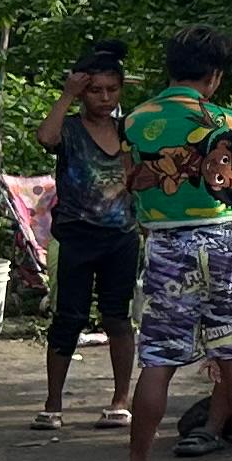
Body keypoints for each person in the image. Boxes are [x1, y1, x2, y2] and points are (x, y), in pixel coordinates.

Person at [103, 26, 232, 461]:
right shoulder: (231, 123)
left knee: (158, 360)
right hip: (227, 244)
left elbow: (133, 181)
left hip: (167, 247)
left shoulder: (134, 120)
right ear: (214, 76)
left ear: (169, 69)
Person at [32, 41, 138, 433]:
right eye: (96, 90)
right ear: (82, 90)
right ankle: (53, 402)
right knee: (68, 319)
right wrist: (66, 95)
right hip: (75, 236)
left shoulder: (129, 131)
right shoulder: (71, 129)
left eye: (113, 90)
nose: (105, 98)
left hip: (121, 238)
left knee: (118, 318)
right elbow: (46, 137)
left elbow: (142, 177)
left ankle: (120, 399)